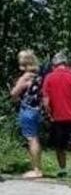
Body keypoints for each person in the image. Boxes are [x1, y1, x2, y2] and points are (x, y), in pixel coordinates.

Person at [10, 50, 43, 179]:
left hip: (27, 110)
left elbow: (14, 93)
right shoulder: (38, 75)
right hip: (36, 110)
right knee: (35, 138)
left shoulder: (25, 77)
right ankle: (37, 167)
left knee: (31, 139)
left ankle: (36, 170)